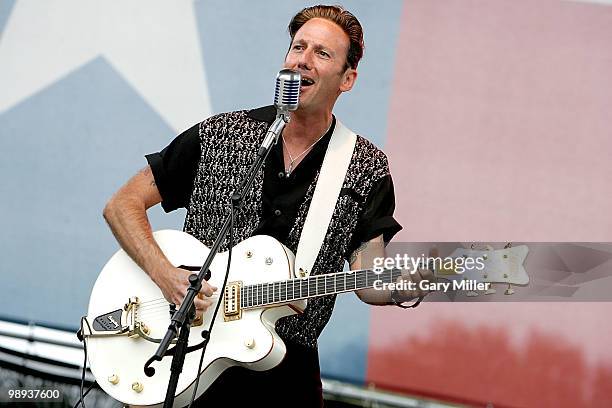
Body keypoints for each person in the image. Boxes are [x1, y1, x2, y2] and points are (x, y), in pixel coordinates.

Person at [103, 5, 432, 407]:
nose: (303, 60)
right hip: (187, 356)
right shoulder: (223, 134)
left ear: (348, 79)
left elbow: (367, 275)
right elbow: (122, 204)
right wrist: (165, 275)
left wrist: (407, 283)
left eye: (322, 53)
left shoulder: (364, 166)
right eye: (298, 47)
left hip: (283, 375)